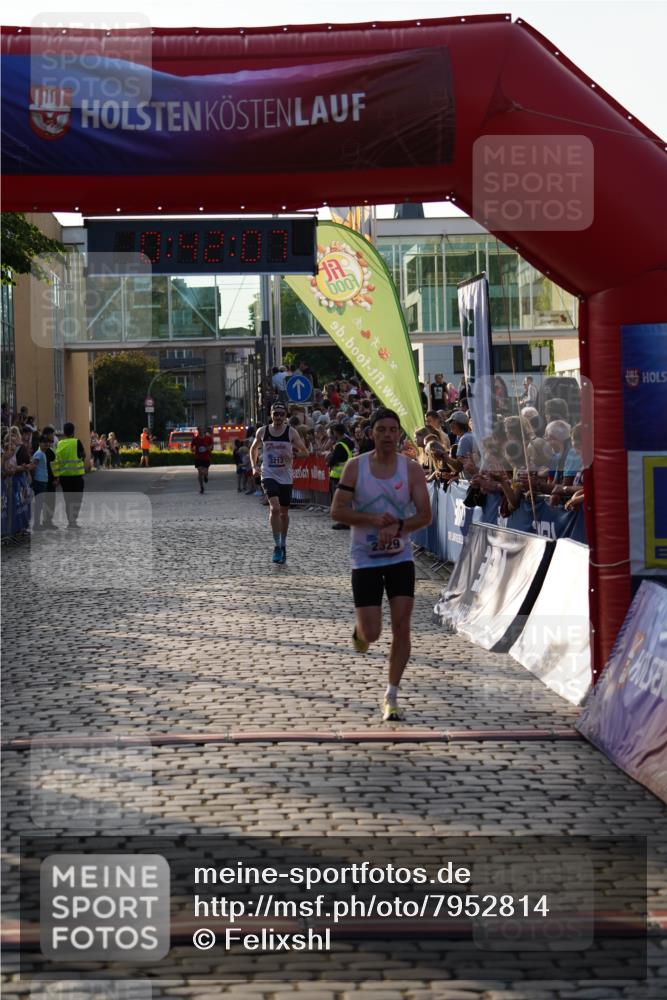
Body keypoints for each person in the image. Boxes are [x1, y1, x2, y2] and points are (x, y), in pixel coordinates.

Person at [330, 408, 432, 722]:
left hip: (400, 557)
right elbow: (337, 511)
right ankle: (361, 631)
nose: (388, 435)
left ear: (400, 434)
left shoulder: (411, 469)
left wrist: (399, 527)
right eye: (381, 430)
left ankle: (391, 694)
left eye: (392, 430)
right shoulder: (355, 468)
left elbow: (425, 515)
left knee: (402, 624)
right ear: (371, 434)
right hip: (365, 559)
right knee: (372, 634)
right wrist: (373, 520)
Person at [249, 401, 309, 564]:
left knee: (284, 513)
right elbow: (253, 449)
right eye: (276, 414)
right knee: (274, 509)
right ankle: (276, 546)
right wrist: (254, 466)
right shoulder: (263, 431)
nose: (279, 417)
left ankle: (283, 545)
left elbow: (305, 453)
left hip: (286, 476)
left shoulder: (291, 433)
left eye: (282, 414)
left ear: (286, 416)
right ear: (271, 414)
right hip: (268, 474)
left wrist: (294, 456)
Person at [52, 421, 88, 529]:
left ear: (64, 432)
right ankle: (73, 520)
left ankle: (70, 521)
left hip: (64, 477)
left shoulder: (59, 443)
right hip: (76, 476)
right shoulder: (76, 442)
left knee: (68, 500)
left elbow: (56, 460)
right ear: (73, 431)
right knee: (77, 499)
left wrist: (56, 476)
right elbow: (83, 455)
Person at [328, 423, 355, 530]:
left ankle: (343, 522)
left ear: (335, 432)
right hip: (348, 474)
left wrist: (329, 460)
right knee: (347, 500)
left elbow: (334, 460)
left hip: (338, 475)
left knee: (339, 500)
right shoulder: (350, 442)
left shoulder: (340, 445)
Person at [190, 425, 214, 494]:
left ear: (203, 430)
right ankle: (201, 487)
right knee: (200, 472)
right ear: (198, 431)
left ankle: (206, 476)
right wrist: (193, 449)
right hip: (198, 457)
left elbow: (212, 447)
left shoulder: (208, 438)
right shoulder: (195, 439)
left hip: (206, 457)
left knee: (205, 472)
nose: (200, 431)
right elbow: (191, 448)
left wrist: (209, 448)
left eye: (202, 430)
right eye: (199, 430)